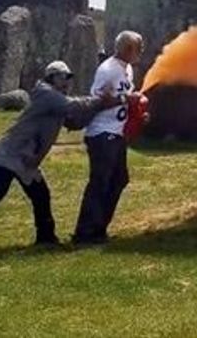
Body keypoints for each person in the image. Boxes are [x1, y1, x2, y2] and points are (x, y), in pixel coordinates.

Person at [0, 61, 118, 252]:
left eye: (68, 78)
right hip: (11, 153)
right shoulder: (47, 94)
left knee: (38, 194)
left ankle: (46, 237)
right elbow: (74, 106)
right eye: (64, 77)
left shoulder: (56, 99)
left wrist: (101, 107)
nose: (67, 82)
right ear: (53, 78)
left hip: (24, 157)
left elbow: (75, 121)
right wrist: (101, 100)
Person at [72, 30, 144, 246]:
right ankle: (85, 233)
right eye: (139, 48)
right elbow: (96, 100)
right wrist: (125, 98)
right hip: (102, 134)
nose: (141, 52)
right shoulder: (108, 70)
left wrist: (137, 111)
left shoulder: (128, 69)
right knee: (100, 182)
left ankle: (99, 228)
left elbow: (124, 101)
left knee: (119, 180)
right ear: (128, 49)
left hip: (117, 132)